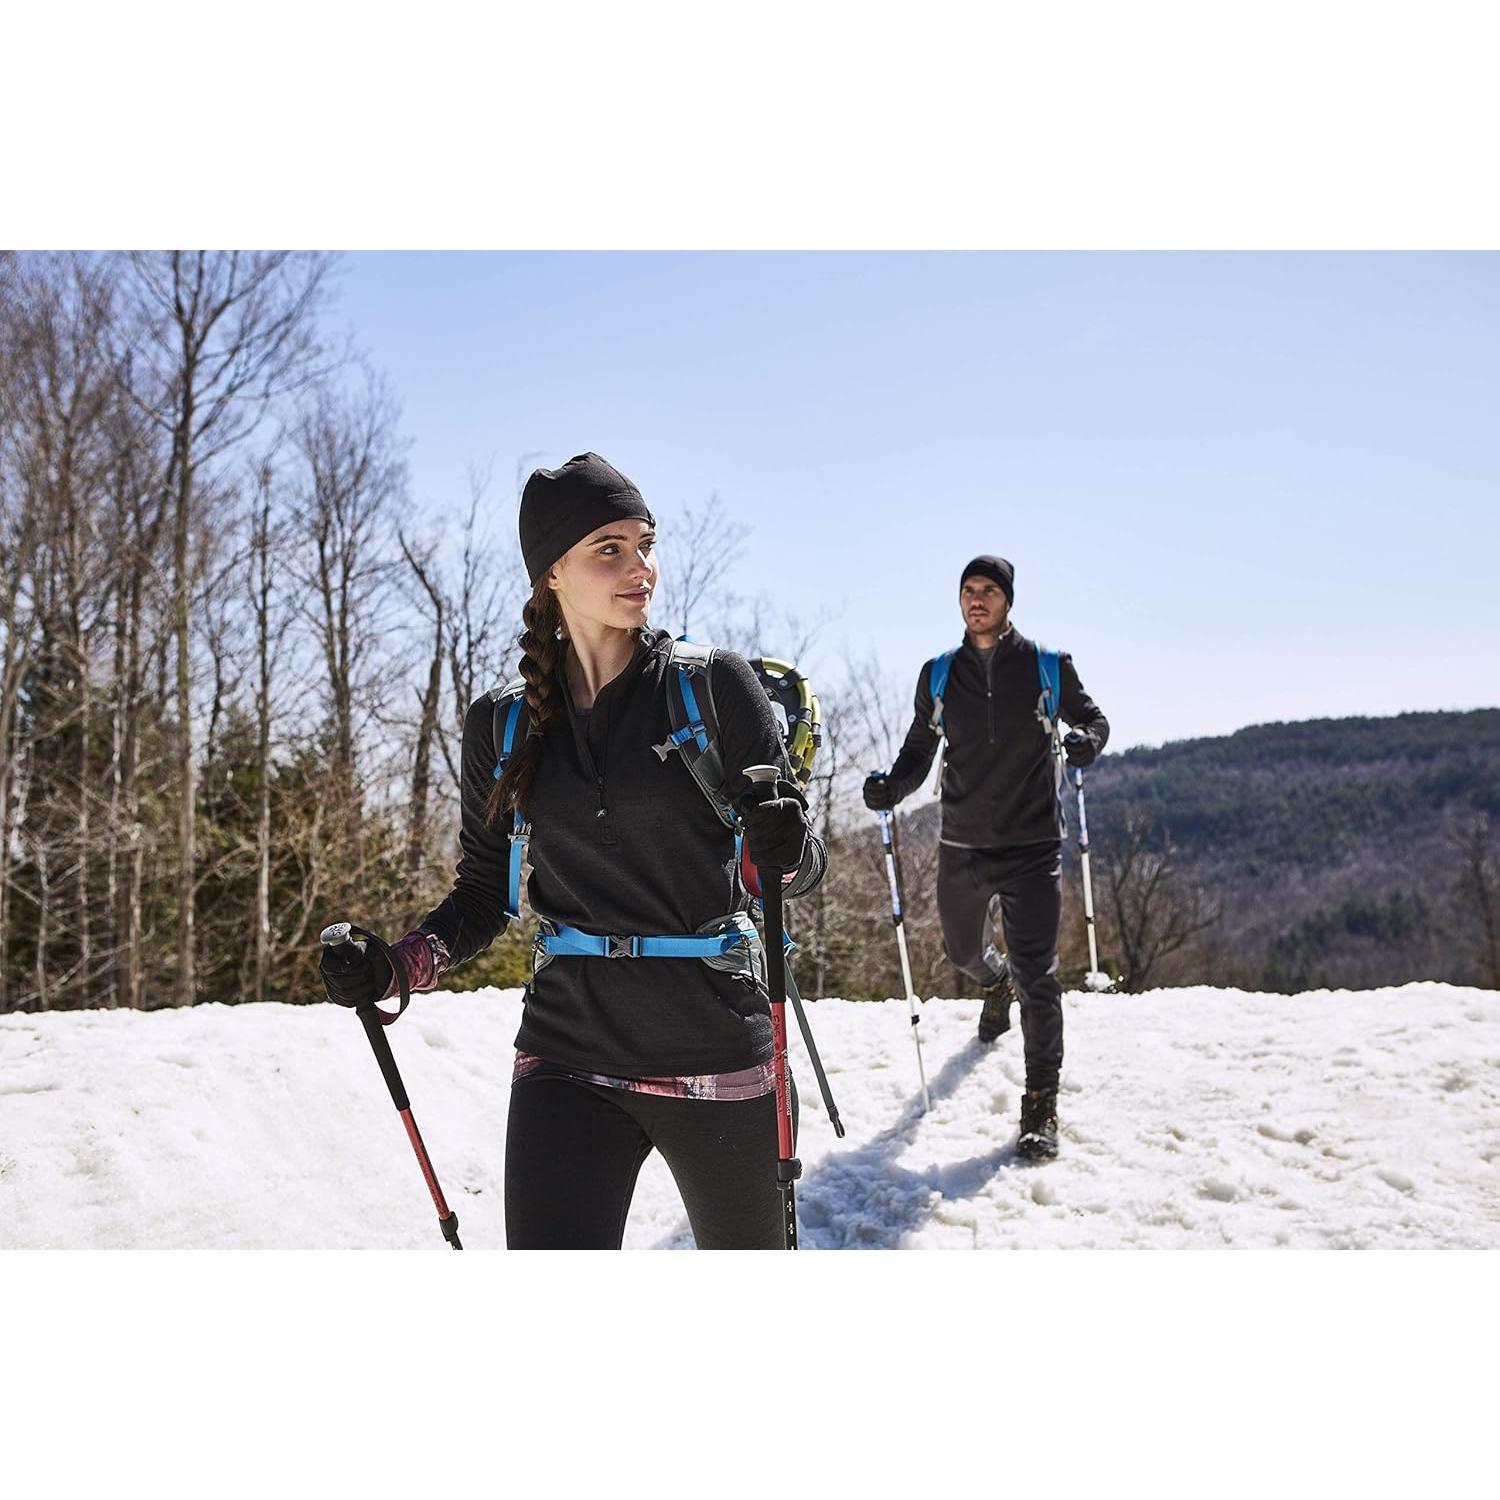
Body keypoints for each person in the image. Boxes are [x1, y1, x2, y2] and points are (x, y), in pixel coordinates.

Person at [320, 453, 824, 1248]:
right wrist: (396, 967)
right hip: (566, 1057)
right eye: (609, 549)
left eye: (645, 544)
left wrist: (788, 842)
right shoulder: (504, 723)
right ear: (551, 571)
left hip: (718, 1052)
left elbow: (792, 870)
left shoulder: (713, 687)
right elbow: (486, 893)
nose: (641, 569)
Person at [862, 555, 1108, 1160]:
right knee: (963, 953)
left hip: (1032, 848)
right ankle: (994, 984)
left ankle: (1039, 1108)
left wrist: (1087, 744)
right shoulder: (940, 674)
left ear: (1008, 600)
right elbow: (921, 748)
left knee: (1040, 978)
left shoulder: (1048, 667)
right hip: (963, 846)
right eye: (968, 591)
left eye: (989, 591)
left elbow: (1094, 719)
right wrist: (893, 785)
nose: (977, 600)